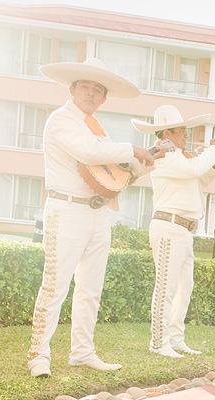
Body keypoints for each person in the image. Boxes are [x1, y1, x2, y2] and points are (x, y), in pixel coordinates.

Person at [27, 58, 168, 378]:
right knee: (55, 285)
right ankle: (38, 355)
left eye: (98, 90)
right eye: (85, 87)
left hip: (97, 212)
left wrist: (148, 158)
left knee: (90, 288)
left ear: (104, 99)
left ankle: (82, 352)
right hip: (65, 209)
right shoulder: (61, 120)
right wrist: (133, 149)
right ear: (72, 89)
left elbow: (114, 177)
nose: (91, 93)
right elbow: (89, 153)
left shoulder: (98, 130)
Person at [132, 105, 215, 358]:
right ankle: (159, 343)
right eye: (182, 132)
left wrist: (214, 163)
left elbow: (199, 180)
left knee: (185, 288)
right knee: (166, 288)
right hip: (170, 226)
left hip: (183, 229)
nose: (186, 136)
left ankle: (175, 338)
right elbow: (195, 170)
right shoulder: (165, 156)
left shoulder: (179, 157)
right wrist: (214, 147)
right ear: (166, 135)